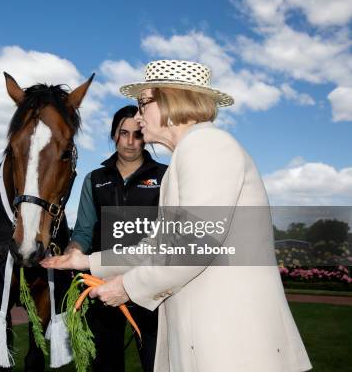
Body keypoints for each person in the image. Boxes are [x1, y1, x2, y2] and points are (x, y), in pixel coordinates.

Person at [42, 60, 312, 372]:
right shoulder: (189, 154)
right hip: (208, 340)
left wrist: (126, 287)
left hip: (230, 345)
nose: (139, 116)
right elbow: (159, 248)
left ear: (171, 101)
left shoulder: (207, 146)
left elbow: (194, 246)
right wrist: (87, 262)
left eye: (142, 103)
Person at [67, 105, 167, 371]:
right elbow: (84, 231)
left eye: (137, 134)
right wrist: (74, 252)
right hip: (103, 287)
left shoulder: (166, 177)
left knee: (156, 363)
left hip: (150, 286)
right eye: (124, 133)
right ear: (114, 135)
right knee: (105, 364)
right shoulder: (94, 179)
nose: (131, 142)